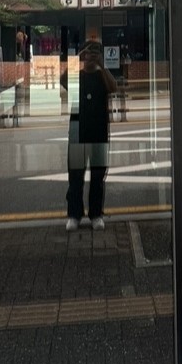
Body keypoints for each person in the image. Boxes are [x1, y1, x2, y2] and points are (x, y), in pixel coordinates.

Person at [65, 40, 117, 232]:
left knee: (97, 176)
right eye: (88, 53)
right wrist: (76, 59)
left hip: (99, 131)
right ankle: (74, 215)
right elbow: (62, 80)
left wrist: (103, 66)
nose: (91, 57)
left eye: (95, 54)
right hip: (77, 131)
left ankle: (96, 214)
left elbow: (113, 88)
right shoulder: (76, 76)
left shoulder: (102, 76)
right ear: (83, 55)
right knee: (75, 177)